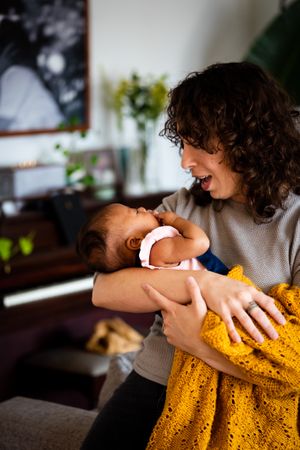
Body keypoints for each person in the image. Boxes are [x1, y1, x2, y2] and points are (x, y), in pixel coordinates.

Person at [81, 62, 299, 450]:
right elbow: (104, 291)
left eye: (197, 143)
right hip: (156, 380)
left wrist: (201, 343)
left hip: (247, 398)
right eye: (182, 143)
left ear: (246, 138)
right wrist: (202, 283)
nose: (185, 161)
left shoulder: (295, 222)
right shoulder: (181, 208)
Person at [76, 202, 228, 275]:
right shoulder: (158, 250)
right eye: (135, 212)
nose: (142, 208)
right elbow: (200, 243)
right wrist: (175, 220)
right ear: (135, 241)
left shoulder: (150, 257)